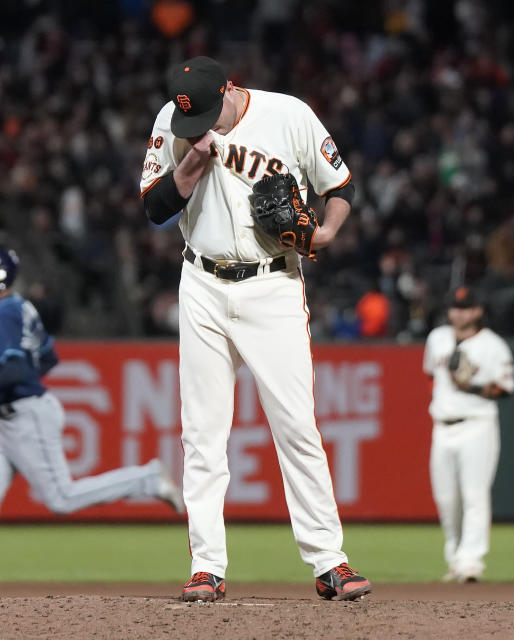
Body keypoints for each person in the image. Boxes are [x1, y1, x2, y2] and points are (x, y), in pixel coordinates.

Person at [140, 56, 371, 602]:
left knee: (296, 426)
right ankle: (206, 567)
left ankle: (329, 562)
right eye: (188, 120)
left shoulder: (288, 115)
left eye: (207, 117)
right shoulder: (173, 122)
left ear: (230, 89)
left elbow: (340, 187)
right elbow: (154, 209)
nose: (199, 128)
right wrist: (190, 164)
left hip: (273, 286)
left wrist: (328, 235)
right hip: (201, 284)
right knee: (202, 434)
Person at [0, 246, 184, 602]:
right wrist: (13, 385)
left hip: (26, 415)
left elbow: (15, 367)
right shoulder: (21, 307)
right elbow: (47, 357)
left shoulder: (2, 313)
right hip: (9, 420)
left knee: (61, 497)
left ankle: (148, 479)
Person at [422, 287, 514, 583]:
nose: (458, 312)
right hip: (442, 426)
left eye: (465, 307)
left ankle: (471, 561)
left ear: (477, 311)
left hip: (477, 423)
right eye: (454, 307)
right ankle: (455, 557)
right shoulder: (437, 338)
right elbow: (430, 375)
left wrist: (470, 387)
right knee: (446, 499)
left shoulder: (493, 345)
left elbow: (505, 388)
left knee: (474, 495)